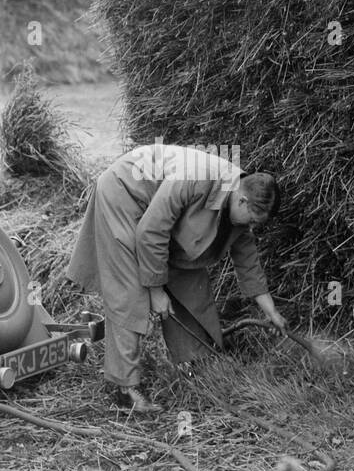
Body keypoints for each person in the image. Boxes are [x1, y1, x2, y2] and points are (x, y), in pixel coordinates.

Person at [67, 143, 287, 413]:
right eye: (252, 220)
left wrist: (270, 311)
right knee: (130, 293)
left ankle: (196, 362)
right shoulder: (197, 179)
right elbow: (150, 232)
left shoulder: (241, 193)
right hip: (124, 194)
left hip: (155, 211)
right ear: (242, 200)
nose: (251, 227)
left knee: (190, 278)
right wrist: (156, 291)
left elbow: (248, 260)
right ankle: (124, 389)